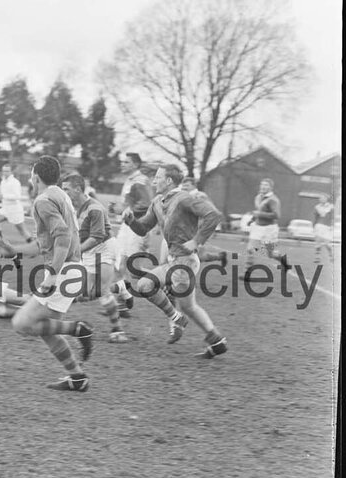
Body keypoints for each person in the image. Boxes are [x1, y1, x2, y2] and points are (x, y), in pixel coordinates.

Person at [1, 156, 95, 392]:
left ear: (36, 177)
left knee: (22, 323)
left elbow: (62, 236)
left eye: (31, 174)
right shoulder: (59, 195)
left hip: (63, 272)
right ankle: (77, 377)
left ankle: (79, 329)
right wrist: (16, 250)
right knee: (46, 328)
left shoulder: (43, 200)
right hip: (71, 270)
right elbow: (48, 244)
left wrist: (52, 275)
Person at [122, 164, 228, 358]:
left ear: (169, 181)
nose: (153, 181)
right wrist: (131, 222)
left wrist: (196, 241)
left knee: (148, 286)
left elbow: (213, 215)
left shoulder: (184, 199)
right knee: (188, 306)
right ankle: (216, 340)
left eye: (157, 177)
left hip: (185, 262)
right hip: (175, 262)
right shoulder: (156, 201)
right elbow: (144, 228)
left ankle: (177, 319)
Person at [60, 173, 128, 343]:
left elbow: (97, 236)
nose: (64, 192)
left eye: (66, 189)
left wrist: (75, 251)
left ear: (77, 189)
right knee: (89, 293)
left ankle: (118, 330)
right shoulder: (74, 208)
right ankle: (118, 287)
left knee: (102, 291)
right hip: (89, 251)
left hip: (105, 248)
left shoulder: (95, 208)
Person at [113, 153, 154, 314]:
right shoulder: (129, 180)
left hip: (136, 227)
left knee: (134, 270)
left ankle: (166, 279)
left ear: (136, 164)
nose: (122, 164)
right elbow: (129, 204)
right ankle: (122, 303)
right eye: (122, 161)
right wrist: (117, 208)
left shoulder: (141, 180)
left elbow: (145, 204)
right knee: (119, 264)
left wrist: (123, 210)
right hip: (126, 227)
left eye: (127, 162)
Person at [244, 178, 290, 279]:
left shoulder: (273, 200)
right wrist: (252, 219)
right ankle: (247, 274)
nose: (263, 187)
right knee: (251, 249)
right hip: (257, 227)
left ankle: (283, 261)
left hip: (270, 229)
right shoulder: (258, 197)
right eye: (262, 185)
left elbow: (276, 215)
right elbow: (258, 211)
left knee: (270, 254)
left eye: (266, 185)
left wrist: (259, 214)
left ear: (270, 187)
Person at [0, 163, 32, 244]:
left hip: (15, 210)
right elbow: (2, 196)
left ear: (11, 172)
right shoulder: (3, 181)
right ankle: (2, 242)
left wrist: (3, 196)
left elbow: (17, 196)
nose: (5, 173)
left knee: (22, 231)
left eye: (7, 171)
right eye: (4, 171)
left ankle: (34, 246)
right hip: (5, 209)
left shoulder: (15, 182)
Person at [313, 194, 335, 264]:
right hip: (318, 226)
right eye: (320, 198)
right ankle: (317, 258)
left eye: (323, 198)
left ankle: (331, 256)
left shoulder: (331, 207)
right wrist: (314, 226)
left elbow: (332, 217)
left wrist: (332, 225)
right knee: (317, 243)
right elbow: (315, 217)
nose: (321, 199)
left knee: (327, 243)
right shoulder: (317, 207)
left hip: (326, 226)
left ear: (326, 199)